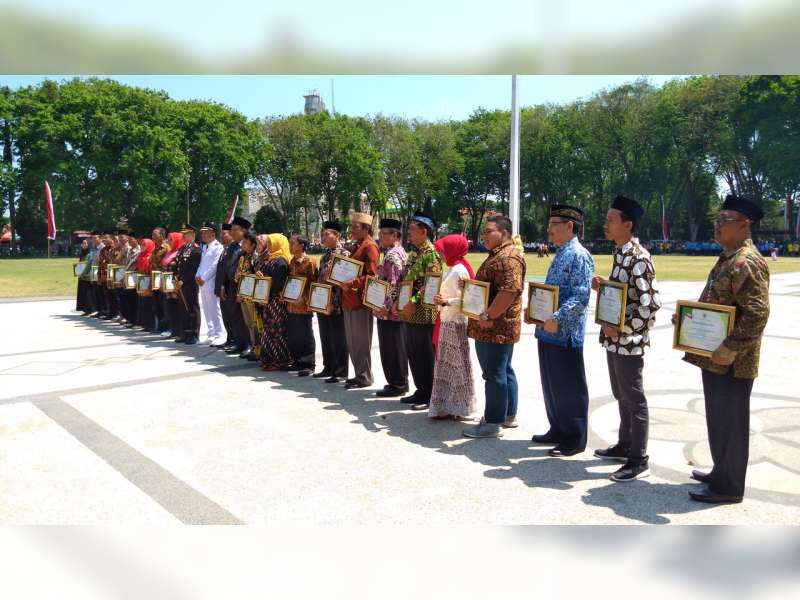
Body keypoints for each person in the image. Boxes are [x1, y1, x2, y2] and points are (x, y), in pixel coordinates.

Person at [677, 194, 770, 504]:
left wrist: (731, 348)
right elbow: (719, 304)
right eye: (717, 220)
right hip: (715, 357)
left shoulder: (747, 261)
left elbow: (757, 314)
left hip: (733, 361)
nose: (717, 226)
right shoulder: (730, 257)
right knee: (718, 418)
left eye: (724, 220)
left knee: (730, 422)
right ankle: (721, 471)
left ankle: (728, 487)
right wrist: (687, 321)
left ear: (746, 224)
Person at [592, 196, 661, 482]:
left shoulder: (639, 258)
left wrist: (622, 329)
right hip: (614, 339)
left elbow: (648, 306)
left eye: (611, 220)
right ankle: (624, 444)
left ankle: (638, 458)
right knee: (621, 394)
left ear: (627, 224)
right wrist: (604, 288)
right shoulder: (620, 253)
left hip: (628, 341)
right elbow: (625, 296)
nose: (605, 224)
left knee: (634, 398)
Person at [529, 205, 595, 456]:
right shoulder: (561, 252)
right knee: (552, 384)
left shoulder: (578, 254)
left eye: (554, 224)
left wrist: (557, 318)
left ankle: (574, 437)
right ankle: (557, 427)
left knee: (569, 386)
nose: (549, 229)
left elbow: (581, 296)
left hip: (566, 334)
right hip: (548, 331)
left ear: (570, 226)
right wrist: (534, 312)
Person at [462, 216, 526, 439]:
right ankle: (507, 414)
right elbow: (492, 286)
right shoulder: (499, 255)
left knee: (494, 373)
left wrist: (489, 314)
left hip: (494, 326)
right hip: (492, 324)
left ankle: (492, 422)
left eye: (489, 231)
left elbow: (509, 291)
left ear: (504, 233)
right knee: (504, 371)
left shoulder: (508, 257)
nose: (484, 235)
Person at [398, 211, 443, 409]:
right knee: (413, 353)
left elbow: (431, 285)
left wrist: (414, 301)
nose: (409, 233)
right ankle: (420, 390)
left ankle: (429, 394)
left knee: (425, 355)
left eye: (412, 229)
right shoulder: (414, 253)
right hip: (409, 312)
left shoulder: (431, 254)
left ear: (424, 232)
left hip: (423, 313)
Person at [429, 234, 475, 420]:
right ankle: (447, 405)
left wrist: (447, 301)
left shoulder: (459, 270)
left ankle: (459, 405)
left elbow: (468, 299)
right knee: (446, 366)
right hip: (447, 319)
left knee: (456, 367)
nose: (440, 253)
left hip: (454, 322)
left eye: (442, 249)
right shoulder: (453, 268)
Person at [339, 212, 380, 389]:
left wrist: (352, 282)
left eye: (355, 226)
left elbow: (372, 275)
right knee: (352, 340)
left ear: (366, 229)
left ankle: (365, 375)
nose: (352, 230)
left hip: (360, 301)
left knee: (361, 340)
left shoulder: (370, 246)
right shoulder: (356, 245)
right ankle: (358, 374)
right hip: (349, 299)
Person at [370, 218, 409, 397]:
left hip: (390, 311)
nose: (380, 237)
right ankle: (397, 382)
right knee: (394, 346)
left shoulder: (393, 255)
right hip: (394, 309)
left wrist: (385, 307)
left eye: (384, 234)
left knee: (392, 347)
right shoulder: (398, 251)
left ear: (395, 235)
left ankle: (398, 384)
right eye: (380, 233)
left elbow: (394, 284)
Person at [314, 221, 350, 383]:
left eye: (327, 234)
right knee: (326, 336)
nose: (324, 237)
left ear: (337, 236)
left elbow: (346, 280)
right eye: (323, 234)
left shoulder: (344, 254)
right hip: (322, 301)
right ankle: (328, 366)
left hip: (336, 303)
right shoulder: (324, 256)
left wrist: (333, 302)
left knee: (338, 338)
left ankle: (340, 370)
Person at [285, 233, 318, 376]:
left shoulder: (310, 262)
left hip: (304, 306)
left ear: (301, 246)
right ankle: (297, 360)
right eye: (290, 242)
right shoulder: (291, 261)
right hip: (292, 304)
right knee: (294, 334)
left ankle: (308, 363)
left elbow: (314, 284)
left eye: (293, 243)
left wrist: (305, 298)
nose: (290, 246)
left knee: (305, 334)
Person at [219, 217, 251, 354]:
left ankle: (249, 344)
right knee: (235, 316)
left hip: (244, 287)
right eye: (231, 230)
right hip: (231, 287)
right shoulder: (232, 246)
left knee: (247, 318)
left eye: (234, 230)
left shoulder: (249, 244)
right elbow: (226, 267)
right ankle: (239, 343)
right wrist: (223, 286)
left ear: (243, 231)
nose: (231, 233)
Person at [196, 222, 225, 345]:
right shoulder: (205, 247)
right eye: (202, 232)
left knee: (214, 308)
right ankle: (211, 333)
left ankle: (219, 334)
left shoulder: (218, 247)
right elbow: (201, 264)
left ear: (213, 233)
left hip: (211, 281)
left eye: (205, 232)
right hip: (202, 282)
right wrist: (197, 276)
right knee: (206, 309)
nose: (203, 235)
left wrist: (204, 277)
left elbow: (215, 265)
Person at [173, 224, 202, 345]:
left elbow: (193, 269)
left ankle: (194, 334)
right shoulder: (182, 248)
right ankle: (184, 332)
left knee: (192, 308)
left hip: (189, 283)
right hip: (180, 283)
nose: (184, 236)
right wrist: (175, 278)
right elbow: (178, 265)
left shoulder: (196, 249)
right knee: (182, 308)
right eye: (183, 234)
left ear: (193, 235)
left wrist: (183, 280)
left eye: (187, 234)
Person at [235, 232, 259, 360]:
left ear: (253, 244)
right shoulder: (242, 257)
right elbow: (237, 276)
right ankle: (253, 347)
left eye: (245, 242)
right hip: (244, 295)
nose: (242, 244)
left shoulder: (256, 257)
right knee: (248, 323)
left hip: (253, 296)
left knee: (255, 323)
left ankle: (258, 349)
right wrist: (239, 292)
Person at [212, 223, 235, 348]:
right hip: (221, 288)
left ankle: (234, 340)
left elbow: (228, 270)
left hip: (228, 288)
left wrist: (223, 286)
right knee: (226, 315)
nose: (221, 235)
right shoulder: (225, 249)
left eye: (224, 233)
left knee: (231, 316)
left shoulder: (234, 249)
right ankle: (230, 338)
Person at [160, 232, 183, 337]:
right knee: (169, 307)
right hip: (167, 283)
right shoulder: (169, 252)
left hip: (175, 284)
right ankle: (173, 330)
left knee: (177, 307)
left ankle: (179, 331)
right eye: (168, 239)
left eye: (171, 239)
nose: (169, 241)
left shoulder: (180, 252)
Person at [150, 227, 171, 332]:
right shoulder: (154, 248)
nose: (152, 236)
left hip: (162, 279)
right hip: (154, 278)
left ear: (162, 236)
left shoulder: (166, 248)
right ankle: (160, 326)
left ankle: (167, 327)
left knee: (164, 303)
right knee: (156, 304)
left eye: (155, 234)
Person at [135, 238, 156, 330]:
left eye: (144, 245)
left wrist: (150, 284)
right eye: (142, 244)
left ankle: (151, 325)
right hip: (141, 281)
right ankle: (144, 324)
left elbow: (151, 270)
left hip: (148, 281)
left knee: (149, 304)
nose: (142, 246)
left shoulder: (150, 256)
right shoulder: (140, 255)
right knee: (142, 303)